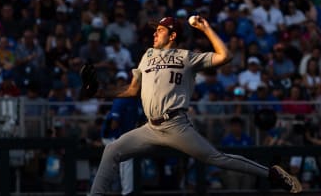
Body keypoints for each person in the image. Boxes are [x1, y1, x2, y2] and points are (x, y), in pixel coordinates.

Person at [87, 16, 302, 195]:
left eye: (160, 30)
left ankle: (272, 173)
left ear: (172, 36)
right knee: (112, 150)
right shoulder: (147, 56)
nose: (154, 33)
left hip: (176, 125)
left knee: (217, 158)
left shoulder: (186, 57)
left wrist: (206, 28)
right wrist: (101, 92)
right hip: (150, 127)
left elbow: (225, 56)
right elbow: (132, 90)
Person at [100, 71, 142, 196]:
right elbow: (113, 125)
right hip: (111, 137)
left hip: (125, 136)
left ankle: (127, 190)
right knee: (127, 157)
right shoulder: (122, 99)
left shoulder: (139, 100)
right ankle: (127, 192)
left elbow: (141, 121)